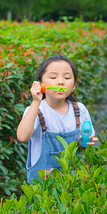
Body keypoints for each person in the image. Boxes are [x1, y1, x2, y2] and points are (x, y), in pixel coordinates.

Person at [16, 54, 98, 184]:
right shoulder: (36, 110)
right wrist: (35, 101)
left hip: (73, 183)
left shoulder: (80, 110)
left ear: (74, 86)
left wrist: (84, 143)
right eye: (53, 77)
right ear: (41, 84)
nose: (60, 82)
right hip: (42, 187)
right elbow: (22, 137)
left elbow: (86, 144)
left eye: (67, 77)